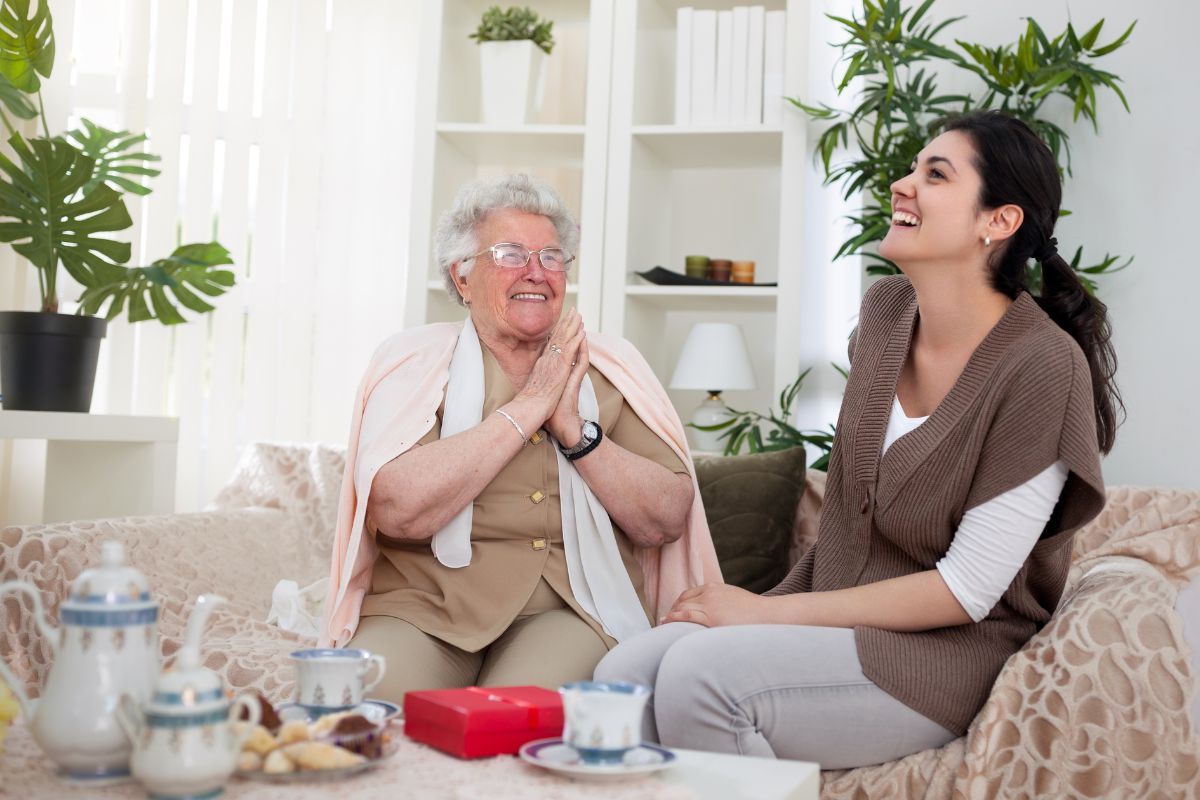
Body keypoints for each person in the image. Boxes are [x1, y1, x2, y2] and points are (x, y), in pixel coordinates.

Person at [594, 111, 1117, 768]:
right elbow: (850, 520)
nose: (903, 185)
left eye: (935, 174)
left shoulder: (1042, 366)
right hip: (832, 622)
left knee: (702, 679)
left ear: (998, 222)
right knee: (618, 677)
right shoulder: (884, 312)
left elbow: (968, 590)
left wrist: (761, 615)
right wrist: (774, 612)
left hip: (942, 657)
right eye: (912, 168)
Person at [319, 174, 721, 702]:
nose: (536, 272)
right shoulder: (414, 363)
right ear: (461, 278)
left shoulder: (610, 368)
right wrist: (532, 404)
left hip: (568, 606)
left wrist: (576, 431)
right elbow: (398, 508)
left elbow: (666, 515)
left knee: (507, 720)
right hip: (423, 607)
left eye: (552, 257)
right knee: (356, 712)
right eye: (510, 254)